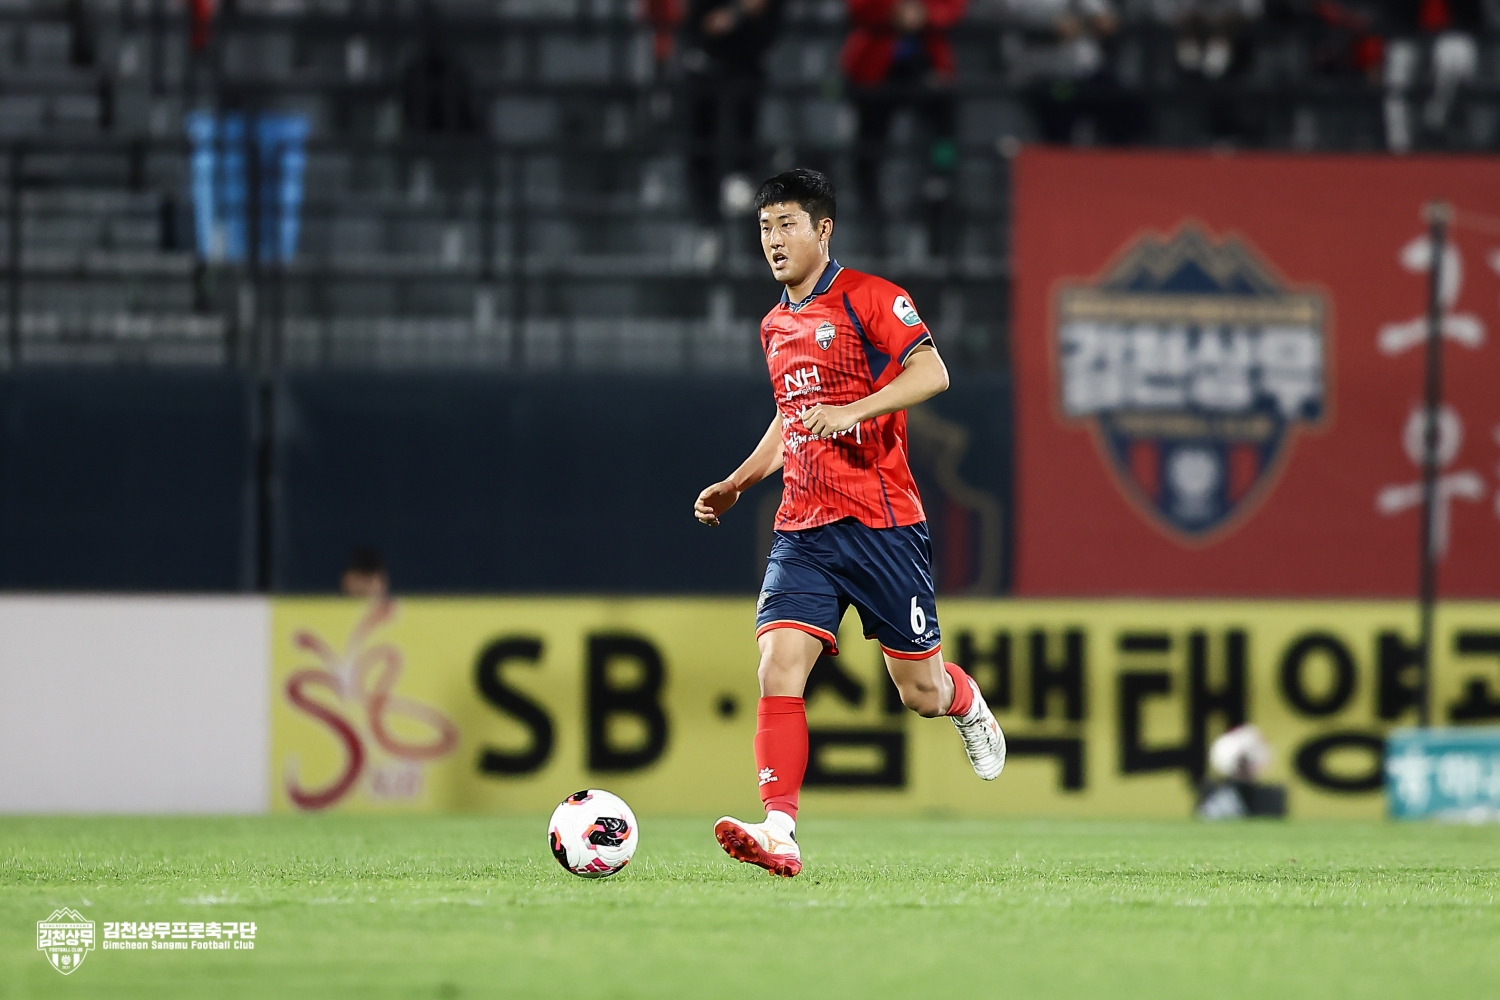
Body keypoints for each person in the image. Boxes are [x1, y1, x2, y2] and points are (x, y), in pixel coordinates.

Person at [692, 168, 1005, 878]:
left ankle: (964, 699)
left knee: (919, 694)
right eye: (764, 228)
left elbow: (932, 374)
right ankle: (780, 830)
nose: (773, 241)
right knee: (777, 667)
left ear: (823, 229)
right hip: (803, 528)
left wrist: (852, 411)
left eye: (787, 225)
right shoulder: (774, 325)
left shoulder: (871, 296)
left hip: (882, 524)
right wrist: (739, 482)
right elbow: (790, 418)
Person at [842, 0, 967, 256]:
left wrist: (924, 13)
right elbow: (857, 7)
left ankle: (941, 175)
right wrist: (894, 11)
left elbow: (954, 8)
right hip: (876, 65)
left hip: (927, 59)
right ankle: (867, 195)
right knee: (870, 136)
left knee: (944, 119)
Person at [680, 0, 784, 228]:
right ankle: (707, 219)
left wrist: (735, 14)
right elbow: (709, 24)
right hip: (705, 63)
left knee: (743, 129)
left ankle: (741, 183)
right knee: (702, 142)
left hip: (747, 63)